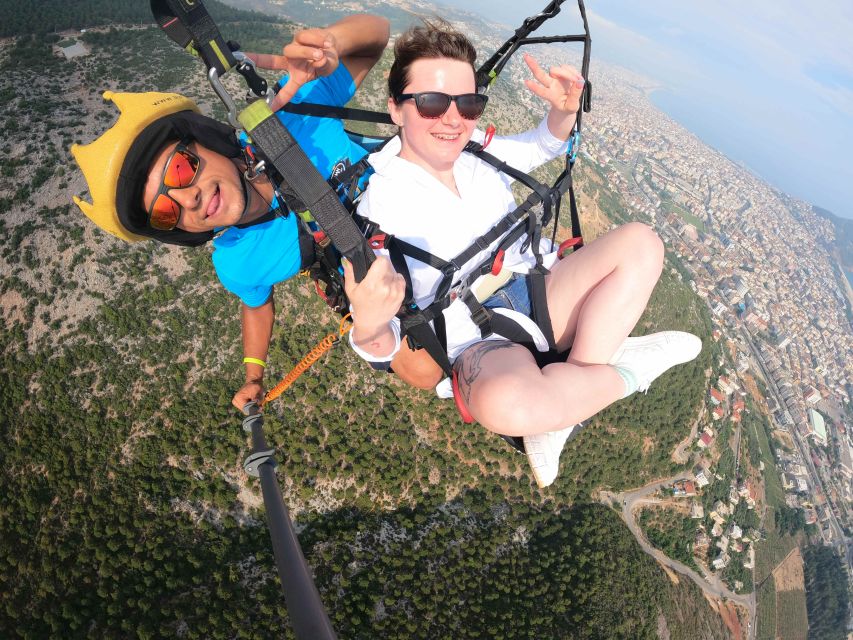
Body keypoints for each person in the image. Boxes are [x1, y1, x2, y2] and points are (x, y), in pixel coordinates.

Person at [343, 20, 702, 488]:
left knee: (642, 244)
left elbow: (542, 145)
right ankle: (627, 369)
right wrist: (368, 323)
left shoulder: (477, 152)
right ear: (396, 108)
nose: (453, 120)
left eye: (468, 104)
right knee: (507, 405)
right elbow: (385, 342)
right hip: (476, 340)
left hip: (537, 288)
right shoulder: (378, 211)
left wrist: (563, 113)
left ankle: (559, 418)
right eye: (431, 104)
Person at [71, 14, 441, 410]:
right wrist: (254, 375)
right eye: (165, 212)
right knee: (424, 371)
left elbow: (376, 33)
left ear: (207, 142)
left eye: (181, 169)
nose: (187, 200)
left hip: (422, 197)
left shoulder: (286, 118)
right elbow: (256, 304)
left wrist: (329, 44)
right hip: (375, 273)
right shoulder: (238, 262)